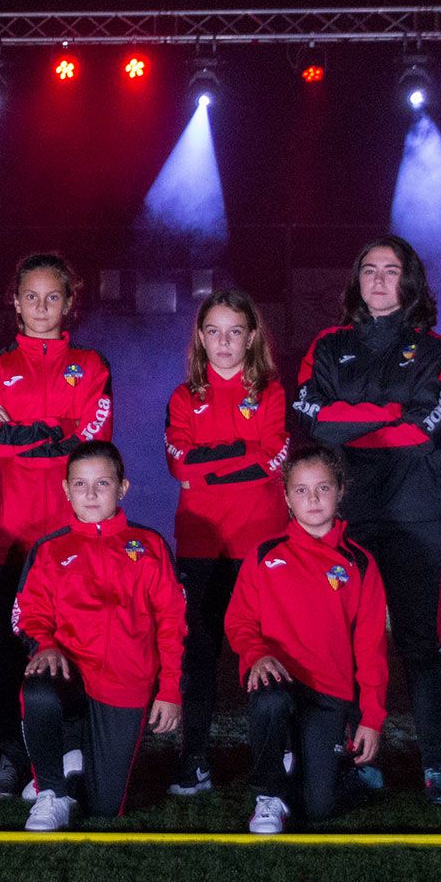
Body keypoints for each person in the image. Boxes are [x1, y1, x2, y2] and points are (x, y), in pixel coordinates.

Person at [292, 235, 441, 804]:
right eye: (370, 270)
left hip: (418, 511)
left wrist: (354, 420)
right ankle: (356, 758)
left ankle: (437, 765)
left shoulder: (437, 350)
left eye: (392, 271)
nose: (381, 280)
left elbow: (422, 431)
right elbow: (314, 420)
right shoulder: (327, 344)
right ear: (356, 281)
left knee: (418, 641)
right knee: (342, 642)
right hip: (349, 512)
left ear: (409, 284)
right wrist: (389, 410)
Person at [0, 252, 112, 798]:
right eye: (32, 296)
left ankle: (71, 749)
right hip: (9, 530)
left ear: (70, 302)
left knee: (72, 641)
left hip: (71, 531)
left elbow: (90, 441)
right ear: (15, 302)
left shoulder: (92, 365)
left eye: (53, 296)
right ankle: (10, 756)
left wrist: (22, 432)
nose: (42, 306)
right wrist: (56, 431)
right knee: (11, 645)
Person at [15, 441, 185, 831]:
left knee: (106, 807)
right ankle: (51, 790)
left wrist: (170, 690)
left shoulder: (151, 547)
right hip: (70, 674)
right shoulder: (49, 549)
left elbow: (173, 622)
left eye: (102, 484)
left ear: (123, 488)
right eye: (80, 484)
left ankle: (72, 761)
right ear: (66, 489)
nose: (90, 494)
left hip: (125, 684)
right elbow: (27, 616)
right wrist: (46, 645)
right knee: (38, 686)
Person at [225, 445, 389, 833]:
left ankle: (322, 765)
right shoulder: (265, 555)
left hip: (330, 696)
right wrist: (257, 654)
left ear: (340, 490)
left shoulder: (360, 562)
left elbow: (371, 647)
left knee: (318, 809)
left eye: (323, 488)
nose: (312, 499)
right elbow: (239, 622)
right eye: (301, 490)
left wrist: (372, 718)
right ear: (286, 497)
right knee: (269, 699)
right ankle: (268, 794)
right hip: (279, 684)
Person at [163, 290, 288, 796]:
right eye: (213, 330)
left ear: (252, 336)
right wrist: (240, 453)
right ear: (199, 336)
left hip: (262, 542)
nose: (223, 341)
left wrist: (210, 464)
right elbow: (179, 464)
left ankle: (279, 753)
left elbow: (270, 462)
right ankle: (194, 759)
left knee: (271, 651)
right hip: (200, 543)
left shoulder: (273, 393)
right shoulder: (182, 396)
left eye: (235, 331)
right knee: (200, 655)